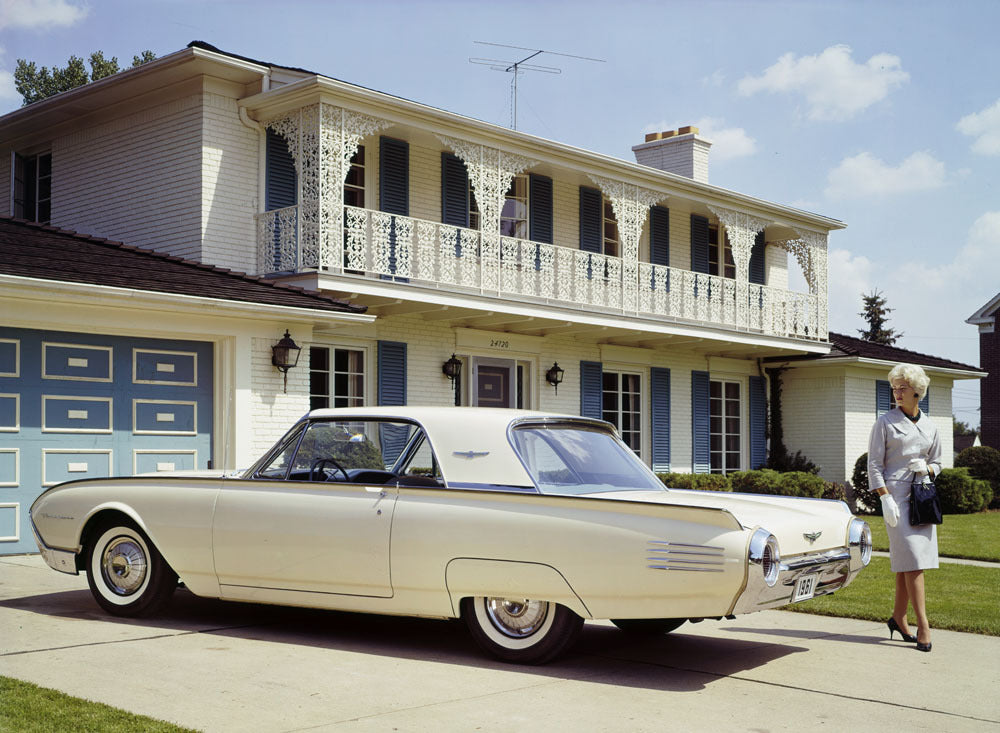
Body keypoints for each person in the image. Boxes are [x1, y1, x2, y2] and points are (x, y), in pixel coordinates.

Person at [867, 363, 941, 652]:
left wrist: (928, 469)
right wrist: (884, 498)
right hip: (895, 498)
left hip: (922, 498)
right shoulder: (884, 423)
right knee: (914, 562)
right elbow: (874, 465)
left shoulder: (930, 425)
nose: (897, 393)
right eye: (895, 388)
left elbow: (938, 463)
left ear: (917, 392)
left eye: (903, 388)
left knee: (906, 564)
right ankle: (923, 625)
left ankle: (898, 618)